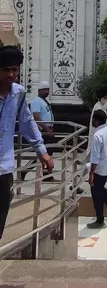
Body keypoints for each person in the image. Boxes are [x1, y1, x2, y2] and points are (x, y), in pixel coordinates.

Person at [0, 46, 54, 240]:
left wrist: (42, 151)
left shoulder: (19, 94)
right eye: (6, 69)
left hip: (4, 169)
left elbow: (27, 122)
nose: (11, 74)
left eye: (14, 69)